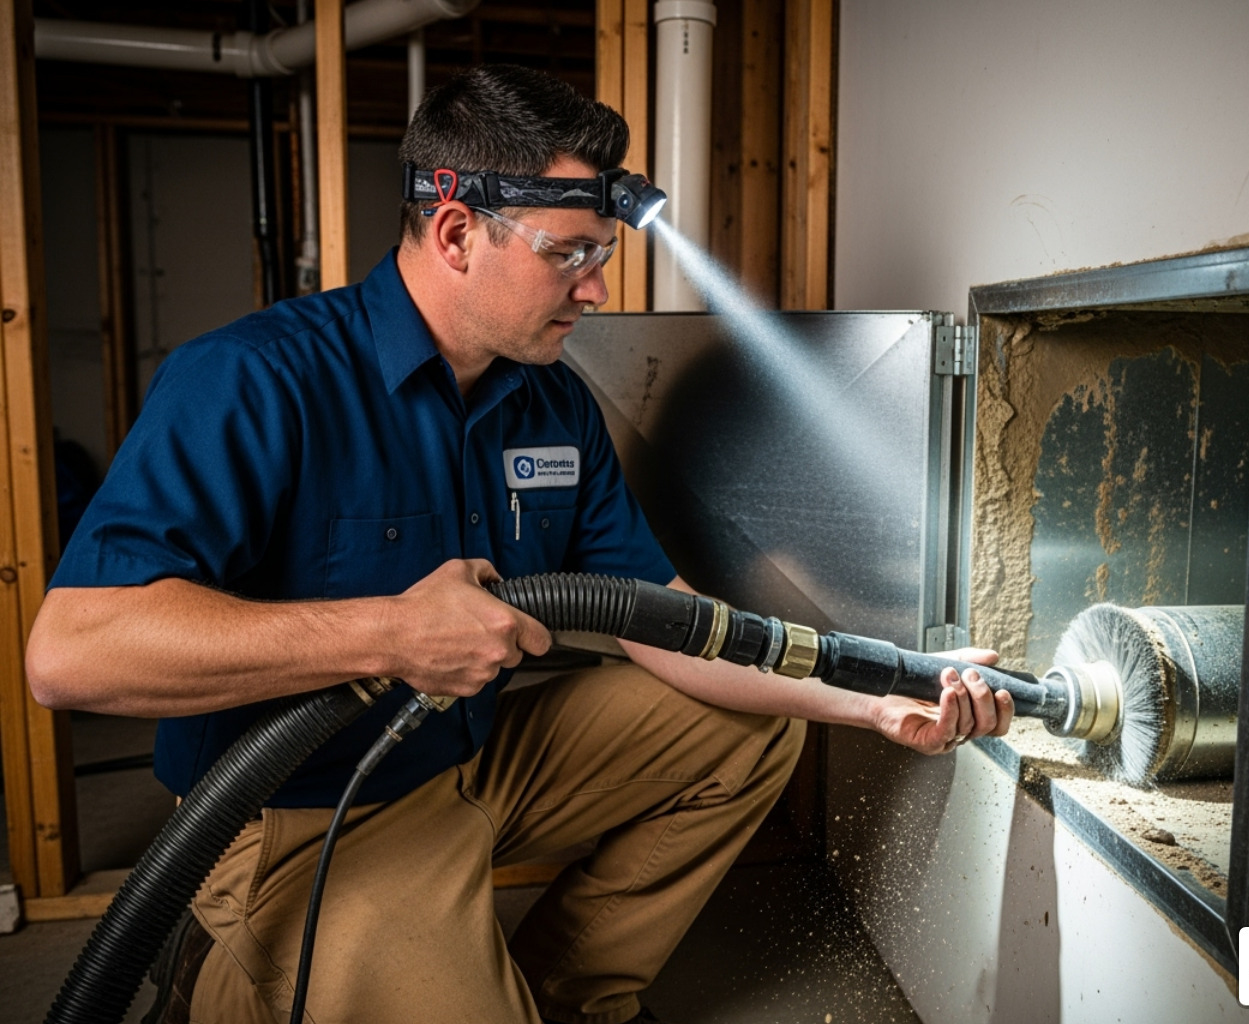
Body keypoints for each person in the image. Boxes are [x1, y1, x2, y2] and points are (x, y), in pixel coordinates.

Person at [25, 65, 1013, 1024]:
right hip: (293, 817)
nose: (593, 289)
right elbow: (73, 652)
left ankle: (572, 997)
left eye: (602, 256)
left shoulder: (548, 401)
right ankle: (229, 972)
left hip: (469, 764)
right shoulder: (254, 381)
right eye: (569, 254)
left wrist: (871, 695)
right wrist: (390, 635)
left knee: (754, 730)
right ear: (457, 229)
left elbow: (662, 620)